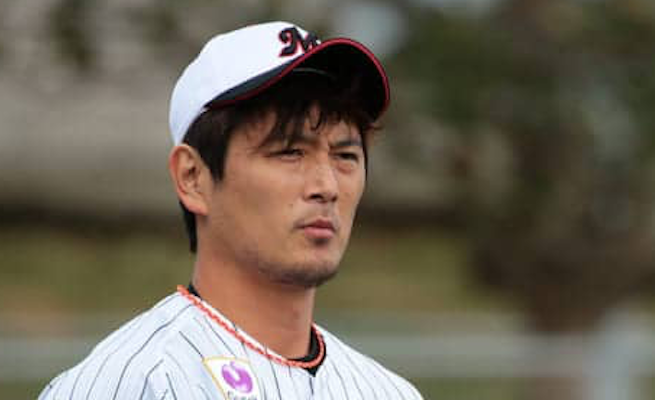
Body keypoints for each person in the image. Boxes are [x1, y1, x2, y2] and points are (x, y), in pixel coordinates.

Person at [37, 21, 422, 400]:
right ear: (192, 177)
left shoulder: (388, 392)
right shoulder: (141, 383)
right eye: (290, 151)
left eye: (345, 156)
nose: (327, 186)